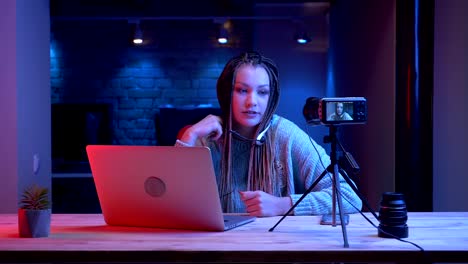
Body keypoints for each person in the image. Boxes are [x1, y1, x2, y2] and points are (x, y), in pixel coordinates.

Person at [175, 51, 362, 217]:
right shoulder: (208, 137)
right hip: (217, 250)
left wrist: (283, 205)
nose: (252, 102)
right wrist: (190, 135)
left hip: (276, 251)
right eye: (242, 90)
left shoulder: (286, 135)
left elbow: (349, 197)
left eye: (262, 92)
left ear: (271, 97)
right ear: (226, 94)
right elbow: (174, 203)